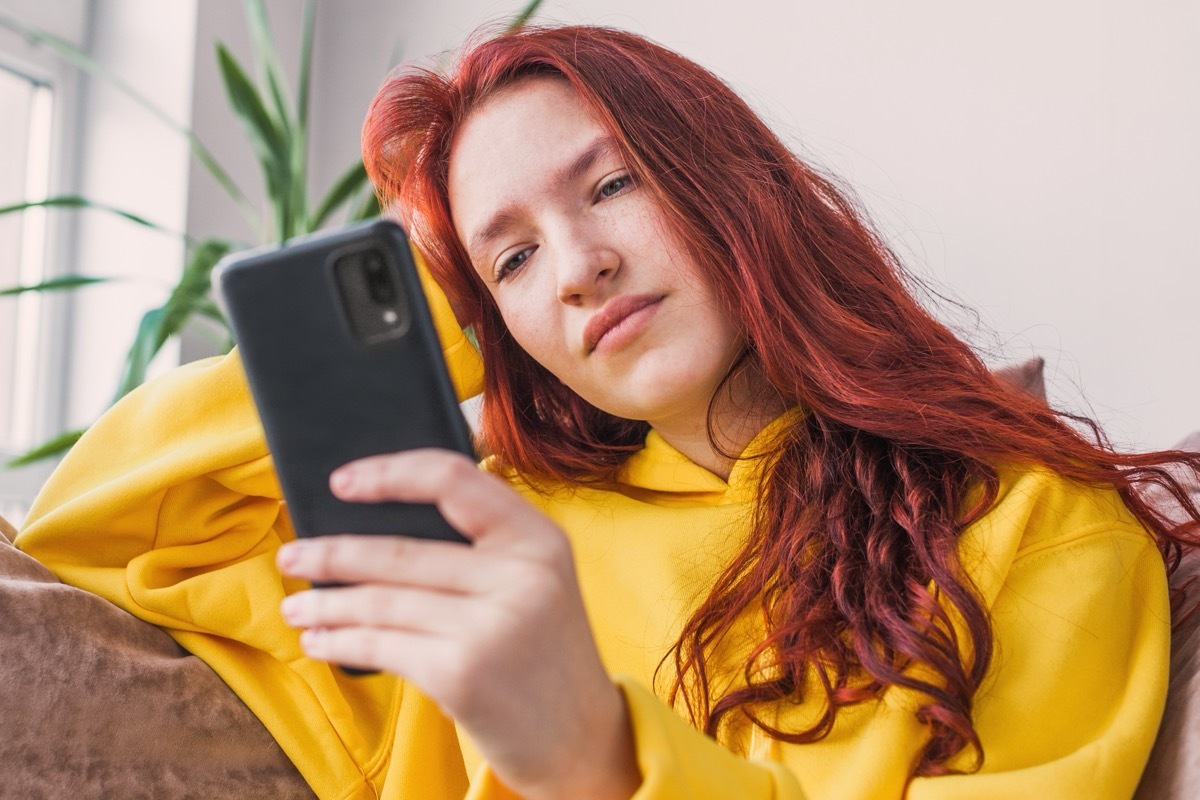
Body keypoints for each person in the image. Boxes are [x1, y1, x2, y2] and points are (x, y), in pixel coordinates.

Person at [16, 23, 1200, 800]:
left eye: (613, 183)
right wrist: (432, 297)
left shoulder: (1028, 519)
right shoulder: (488, 529)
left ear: (733, 185)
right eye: (515, 258)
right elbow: (95, 533)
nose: (576, 266)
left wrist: (591, 749)